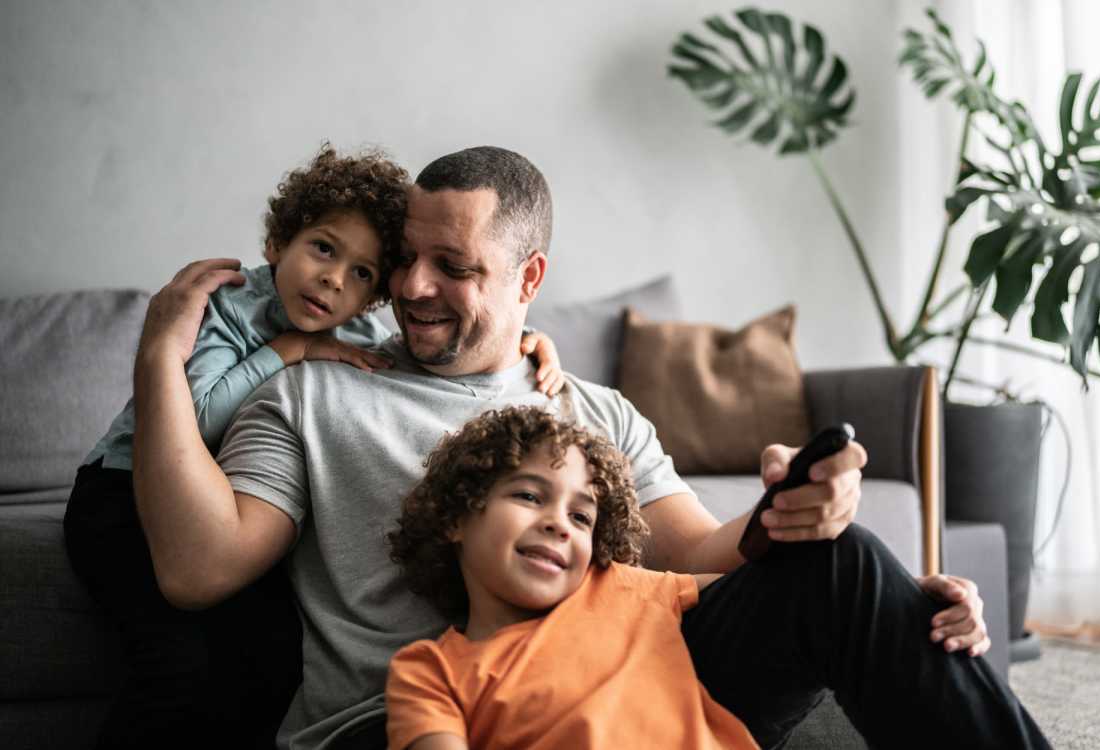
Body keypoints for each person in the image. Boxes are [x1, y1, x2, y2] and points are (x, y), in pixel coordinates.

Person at [131, 146, 1049, 749]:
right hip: (410, 718)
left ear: (528, 277)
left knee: (841, 561)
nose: (410, 285)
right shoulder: (316, 389)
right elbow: (195, 569)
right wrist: (159, 357)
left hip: (605, 692)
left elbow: (693, 555)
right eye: (405, 257)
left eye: (453, 267)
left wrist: (796, 520)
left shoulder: (591, 408)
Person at [62, 145, 563, 749]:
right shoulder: (231, 307)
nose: (334, 279)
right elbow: (193, 415)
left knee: (274, 655)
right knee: (182, 670)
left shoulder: (349, 327)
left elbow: (457, 337)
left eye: (363, 274)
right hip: (120, 491)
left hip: (216, 492)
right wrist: (284, 352)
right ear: (278, 241)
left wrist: (528, 337)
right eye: (324, 249)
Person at [385, 405, 758, 749]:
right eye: (529, 496)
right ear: (455, 518)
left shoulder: (622, 584)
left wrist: (785, 504)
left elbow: (762, 590)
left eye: (581, 518)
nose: (559, 525)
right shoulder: (430, 673)